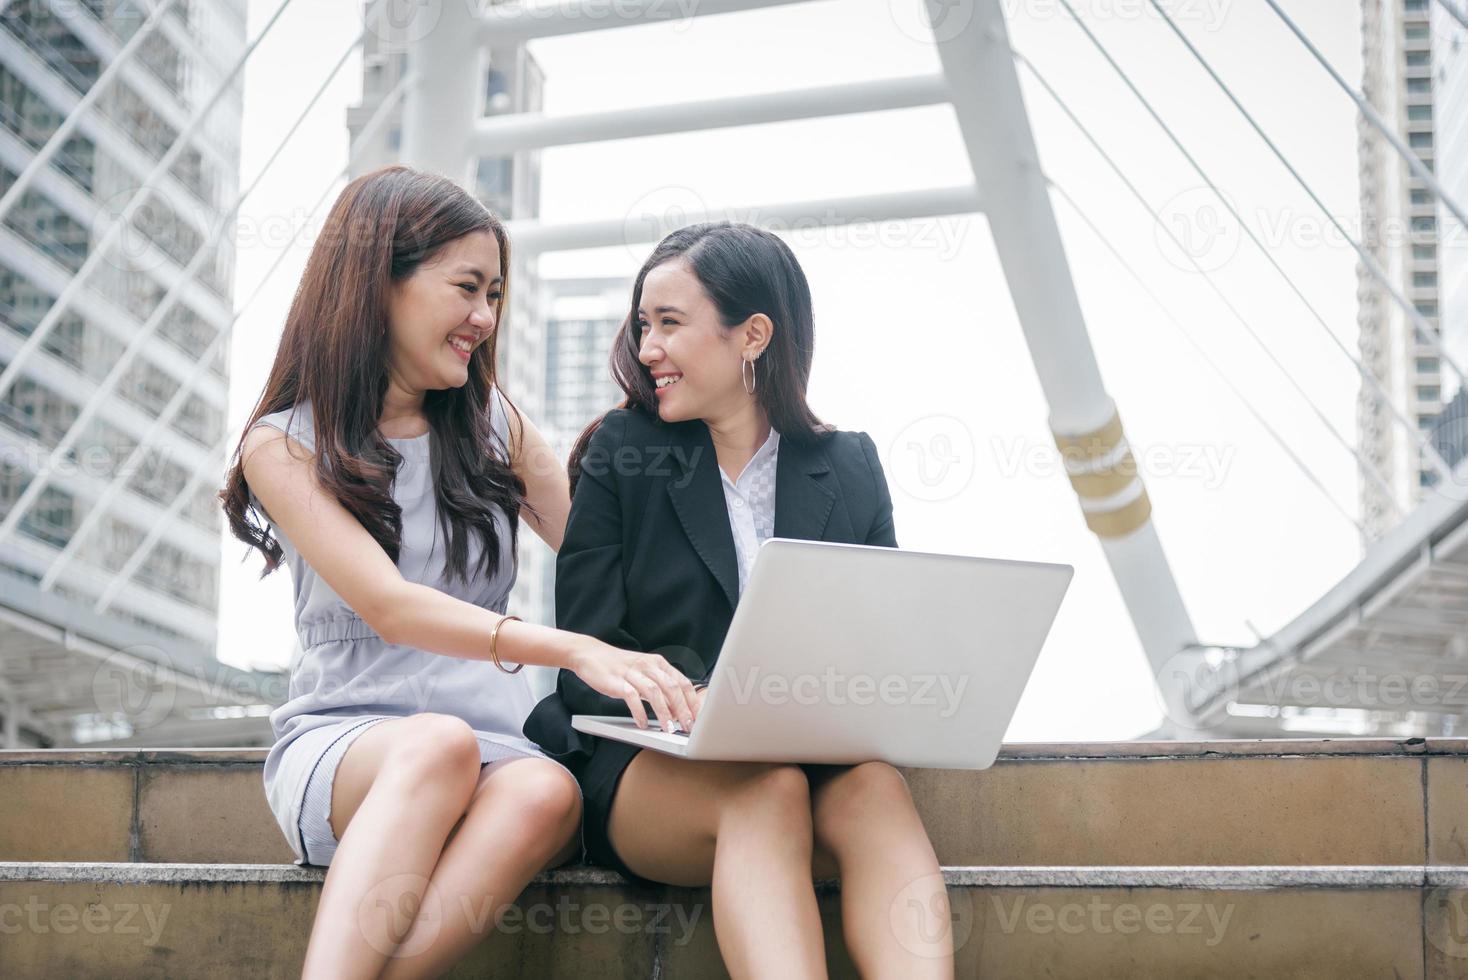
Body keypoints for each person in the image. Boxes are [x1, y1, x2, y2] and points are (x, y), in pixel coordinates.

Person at [220, 165, 698, 979]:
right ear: (379, 283)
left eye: (496, 295)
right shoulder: (283, 443)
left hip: (493, 746)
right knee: (435, 744)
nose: (485, 318)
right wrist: (572, 650)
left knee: (548, 791)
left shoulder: (493, 425)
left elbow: (601, 547)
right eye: (467, 288)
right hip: (350, 747)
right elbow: (393, 607)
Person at [523, 222, 954, 977]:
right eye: (643, 325)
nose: (647, 347)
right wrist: (696, 695)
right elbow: (585, 657)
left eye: (670, 324)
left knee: (877, 788)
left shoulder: (847, 465)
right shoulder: (621, 455)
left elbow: (879, 637)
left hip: (810, 760)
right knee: (768, 790)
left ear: (752, 335)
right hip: (652, 770)